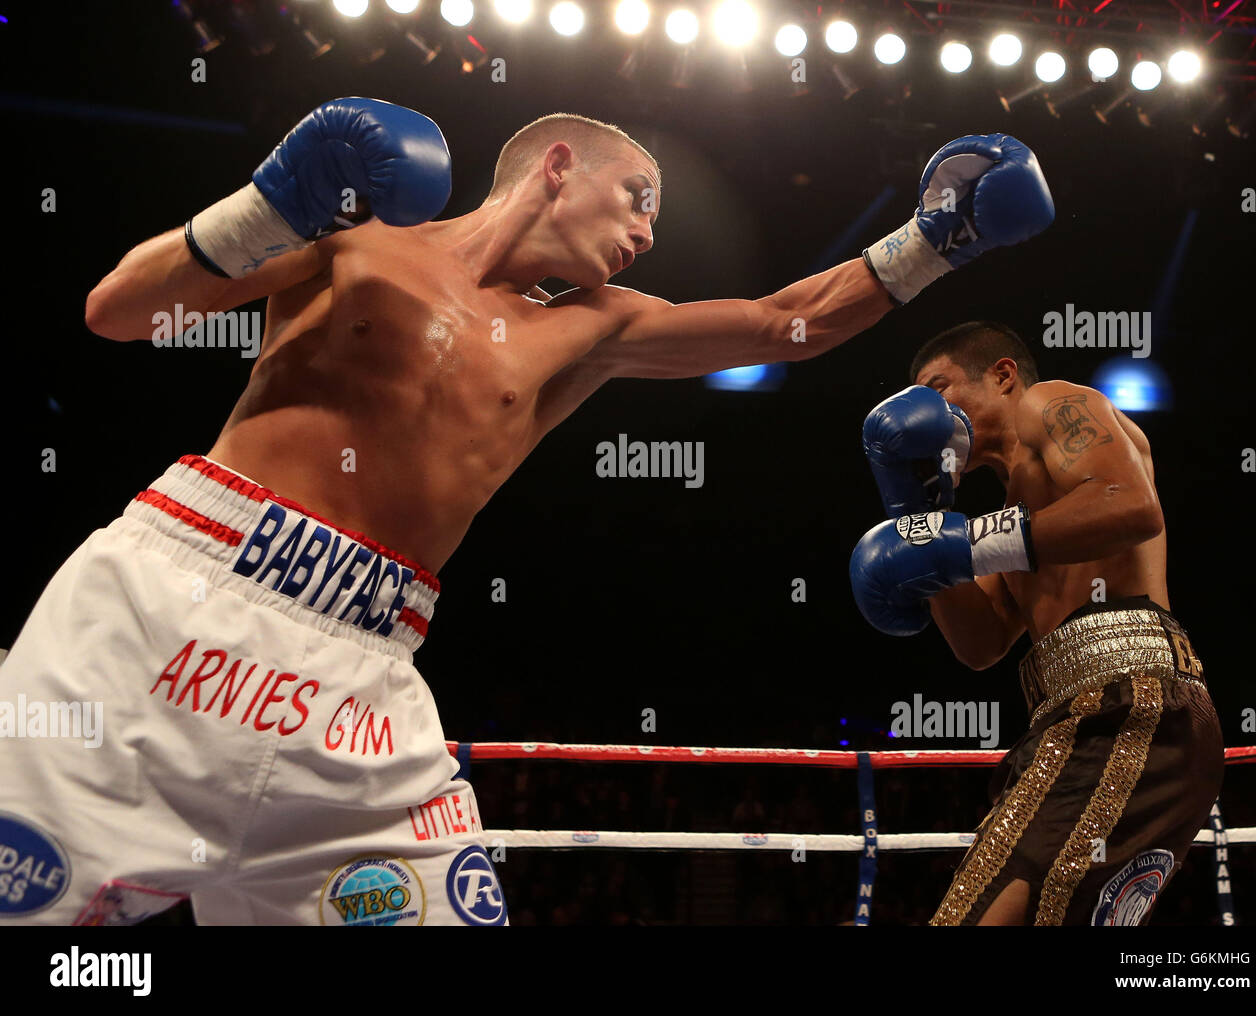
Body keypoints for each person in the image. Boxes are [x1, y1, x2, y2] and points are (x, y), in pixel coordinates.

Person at [0, 97, 1052, 925]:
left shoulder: (590, 329)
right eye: (638, 197)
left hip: (360, 673)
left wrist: (936, 237)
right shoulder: (356, 238)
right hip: (171, 599)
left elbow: (789, 323)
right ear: (557, 167)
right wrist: (275, 197)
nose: (647, 231)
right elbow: (122, 309)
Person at [849, 321, 1223, 925]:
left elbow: (1129, 503)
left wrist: (963, 545)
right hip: (1075, 720)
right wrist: (920, 522)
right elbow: (981, 645)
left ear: (1002, 376)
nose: (929, 413)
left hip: (1130, 703)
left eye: (939, 389)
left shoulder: (1052, 403)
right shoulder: (1010, 521)